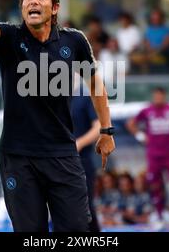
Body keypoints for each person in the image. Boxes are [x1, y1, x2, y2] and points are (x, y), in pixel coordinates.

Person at [0, 0, 115, 232]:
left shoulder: (74, 41)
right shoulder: (9, 37)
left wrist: (106, 130)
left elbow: (96, 85)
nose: (33, 1)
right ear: (22, 7)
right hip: (18, 159)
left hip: (63, 155)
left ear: (54, 8)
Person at [126, 86, 169, 223]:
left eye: (160, 96)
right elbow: (131, 123)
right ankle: (159, 217)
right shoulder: (147, 111)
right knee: (155, 186)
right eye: (156, 96)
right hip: (154, 156)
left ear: (164, 96)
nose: (158, 99)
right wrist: (139, 135)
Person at [71, 78, 101, 232]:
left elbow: (99, 127)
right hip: (56, 160)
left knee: (85, 206)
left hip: (81, 161)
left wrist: (79, 143)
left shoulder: (85, 95)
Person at [143, 9, 169, 73]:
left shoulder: (167, 30)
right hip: (151, 59)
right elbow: (146, 41)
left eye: (157, 19)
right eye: (153, 19)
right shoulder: (149, 29)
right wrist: (149, 49)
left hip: (163, 60)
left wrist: (156, 50)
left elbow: (167, 43)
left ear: (161, 19)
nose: (155, 21)